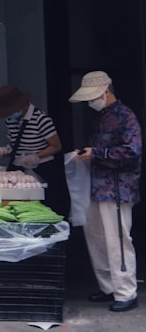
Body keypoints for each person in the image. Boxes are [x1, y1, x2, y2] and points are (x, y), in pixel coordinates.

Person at [69, 70, 142, 313]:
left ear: (105, 92)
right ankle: (108, 286)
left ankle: (126, 292)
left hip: (117, 187)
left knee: (117, 240)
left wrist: (97, 154)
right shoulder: (102, 117)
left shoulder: (125, 116)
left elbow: (133, 151)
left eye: (92, 97)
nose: (90, 102)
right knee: (97, 238)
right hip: (97, 184)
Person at [0, 84, 69, 216]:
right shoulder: (10, 120)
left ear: (23, 105)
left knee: (45, 205)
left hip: (43, 167)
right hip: (21, 168)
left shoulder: (41, 119)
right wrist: (3, 151)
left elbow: (56, 146)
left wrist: (35, 156)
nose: (10, 114)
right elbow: (15, 144)